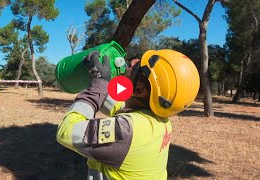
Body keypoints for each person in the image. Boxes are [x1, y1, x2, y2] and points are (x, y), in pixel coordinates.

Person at [57, 49, 200, 180]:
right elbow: (116, 104)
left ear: (139, 91)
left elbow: (66, 131)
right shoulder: (160, 119)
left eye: (138, 67)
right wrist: (101, 81)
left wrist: (97, 86)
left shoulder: (126, 131)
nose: (133, 61)